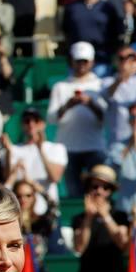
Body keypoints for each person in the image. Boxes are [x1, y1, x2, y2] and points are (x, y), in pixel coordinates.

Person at [47, 42, 107, 195]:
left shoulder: (100, 86)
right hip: (68, 147)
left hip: (94, 146)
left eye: (85, 61)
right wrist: (68, 105)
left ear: (92, 62)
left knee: (98, 192)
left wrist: (90, 104)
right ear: (71, 61)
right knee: (74, 194)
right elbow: (52, 119)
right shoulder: (60, 87)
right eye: (78, 61)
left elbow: (105, 118)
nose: (81, 65)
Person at [72, 165, 132, 272]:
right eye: (95, 187)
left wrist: (106, 217)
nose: (99, 192)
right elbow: (80, 247)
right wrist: (88, 218)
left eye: (105, 188)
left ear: (110, 191)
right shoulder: (79, 218)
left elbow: (123, 244)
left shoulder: (120, 216)